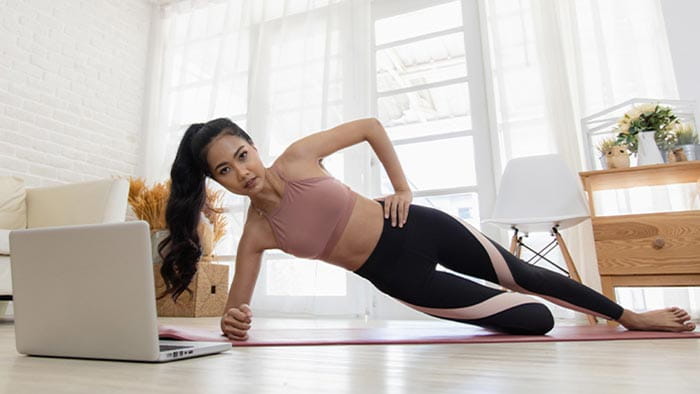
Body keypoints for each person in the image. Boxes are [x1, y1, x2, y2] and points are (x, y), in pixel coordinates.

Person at [159, 117, 696, 341]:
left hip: (419, 226)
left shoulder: (300, 158)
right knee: (535, 320)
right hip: (399, 277)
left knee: (524, 273)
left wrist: (403, 187)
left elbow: (370, 126)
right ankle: (575, 312)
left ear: (253, 145)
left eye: (242, 154)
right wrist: (235, 322)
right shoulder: (256, 233)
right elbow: (238, 308)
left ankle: (631, 315)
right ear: (216, 182)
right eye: (224, 170)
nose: (243, 171)